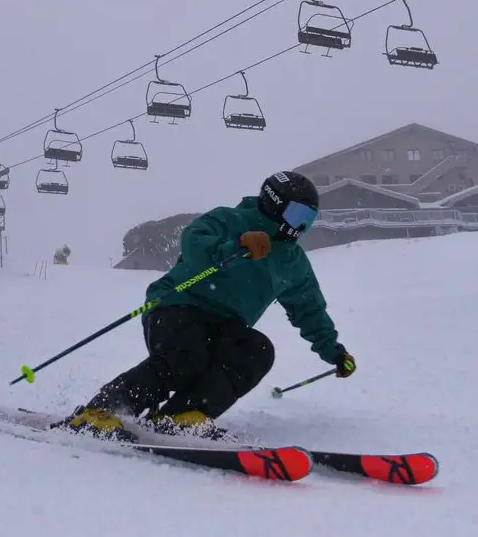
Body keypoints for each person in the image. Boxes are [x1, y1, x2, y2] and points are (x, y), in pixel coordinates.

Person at [58, 170, 355, 441]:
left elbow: (309, 310)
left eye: (308, 219)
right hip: (178, 305)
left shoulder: (292, 261)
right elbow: (194, 241)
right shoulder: (231, 220)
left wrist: (335, 352)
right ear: (275, 204)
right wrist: (235, 245)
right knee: (186, 357)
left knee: (257, 351)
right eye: (298, 215)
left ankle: (181, 416)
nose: (300, 227)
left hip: (227, 325)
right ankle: (102, 410)